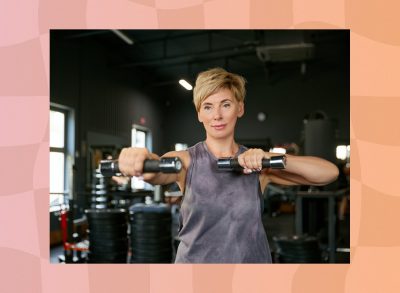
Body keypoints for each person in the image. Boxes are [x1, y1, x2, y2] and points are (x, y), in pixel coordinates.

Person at [117, 68, 339, 263]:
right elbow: (156, 173)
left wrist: (272, 158)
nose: (217, 115)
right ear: (199, 114)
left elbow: (329, 173)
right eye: (208, 107)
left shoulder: (257, 163)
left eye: (226, 104)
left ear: (239, 108)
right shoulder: (186, 160)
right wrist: (141, 159)